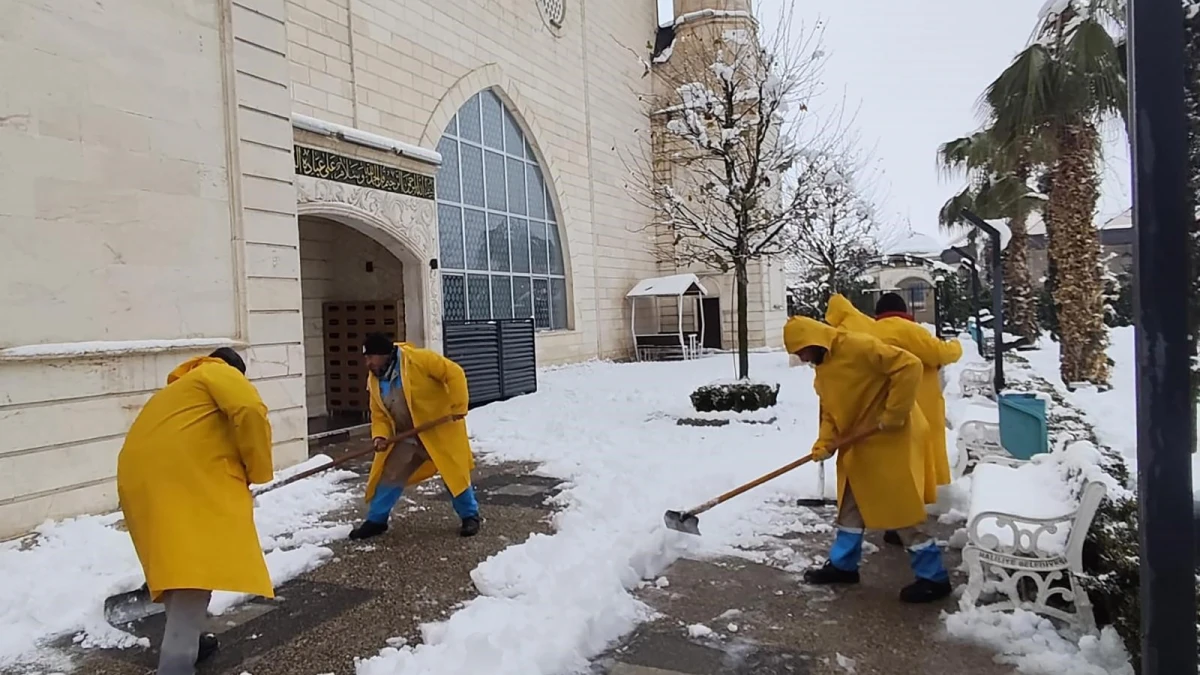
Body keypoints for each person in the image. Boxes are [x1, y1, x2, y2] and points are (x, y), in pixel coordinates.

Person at [117, 348, 274, 675]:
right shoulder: (217, 371)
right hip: (180, 482)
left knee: (180, 567)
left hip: (141, 483)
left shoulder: (179, 393)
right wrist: (257, 470)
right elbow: (249, 408)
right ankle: (175, 664)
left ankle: (193, 638)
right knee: (194, 573)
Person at [784, 316, 953, 603]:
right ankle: (843, 566)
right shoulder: (823, 372)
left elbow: (909, 365)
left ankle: (934, 577)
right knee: (850, 507)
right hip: (857, 442)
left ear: (814, 341)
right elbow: (830, 411)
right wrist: (825, 442)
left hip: (889, 439)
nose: (800, 358)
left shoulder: (859, 346)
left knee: (901, 511)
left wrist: (894, 413)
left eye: (801, 350)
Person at [826, 292, 963, 546]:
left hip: (881, 409)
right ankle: (905, 524)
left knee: (890, 470)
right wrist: (956, 345)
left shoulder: (870, 332)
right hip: (916, 404)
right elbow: (939, 354)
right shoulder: (910, 330)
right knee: (916, 467)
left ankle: (893, 522)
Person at [349, 333, 481, 540]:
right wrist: (380, 437)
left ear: (383, 355)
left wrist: (458, 405)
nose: (367, 362)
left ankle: (470, 516)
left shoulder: (419, 360)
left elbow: (454, 373)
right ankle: (376, 520)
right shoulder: (375, 379)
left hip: (438, 431)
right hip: (407, 435)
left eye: (370, 357)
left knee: (453, 475)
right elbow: (379, 415)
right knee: (390, 473)